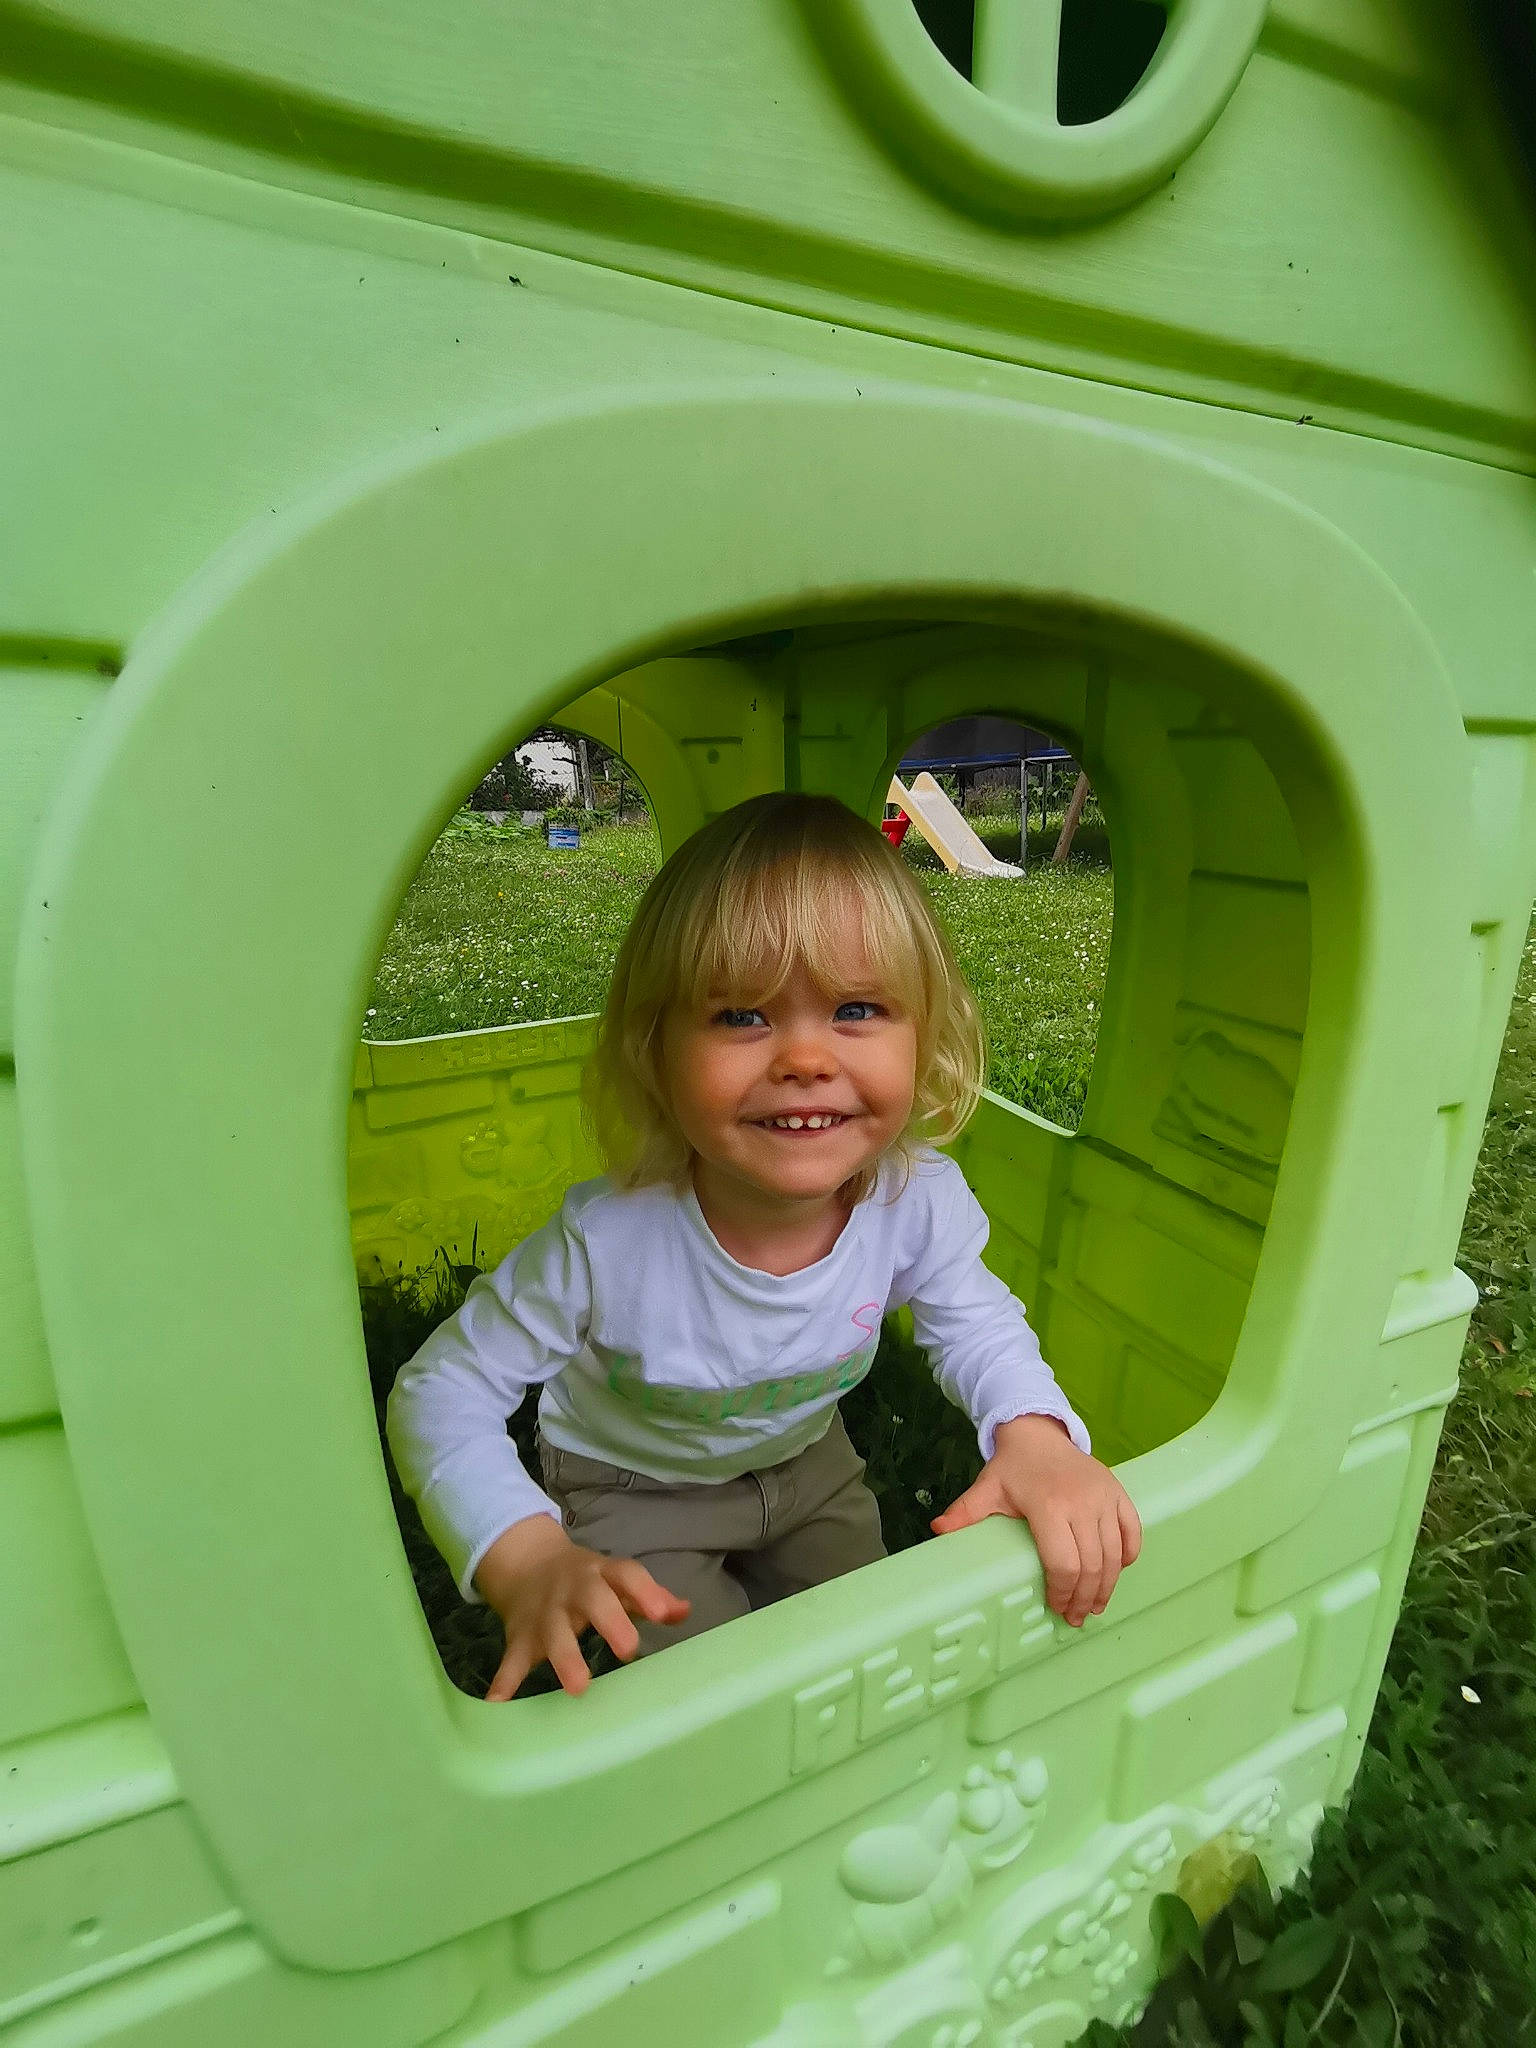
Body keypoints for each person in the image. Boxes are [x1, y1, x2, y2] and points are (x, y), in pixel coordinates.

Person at [388, 792, 1140, 1701]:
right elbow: (441, 1391)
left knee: (871, 1657)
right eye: (743, 1016)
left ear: (925, 1033)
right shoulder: (608, 1243)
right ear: (654, 1050)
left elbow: (976, 1322)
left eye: (858, 1008)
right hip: (634, 1485)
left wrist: (1037, 1435)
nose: (805, 1059)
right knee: (705, 1699)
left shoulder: (915, 1197)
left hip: (807, 1463)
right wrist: (522, 1549)